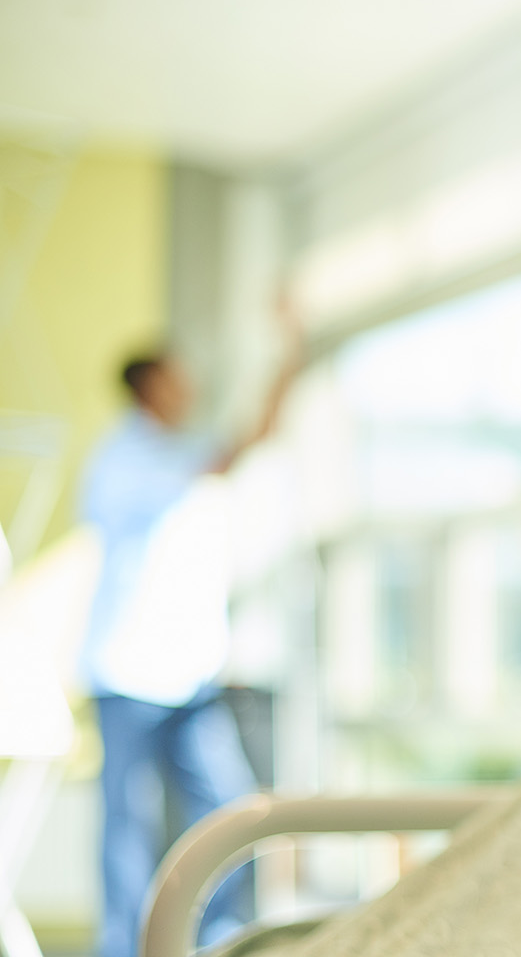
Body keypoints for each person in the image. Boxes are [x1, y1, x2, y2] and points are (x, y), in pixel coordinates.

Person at [82, 322, 301, 957]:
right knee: (129, 826)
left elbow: (253, 438)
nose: (190, 388)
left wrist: (289, 354)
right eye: (177, 378)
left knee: (229, 810)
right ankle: (121, 949)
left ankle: (220, 941)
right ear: (149, 386)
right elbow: (229, 453)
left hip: (190, 678)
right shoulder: (123, 459)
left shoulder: (182, 451)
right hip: (127, 674)